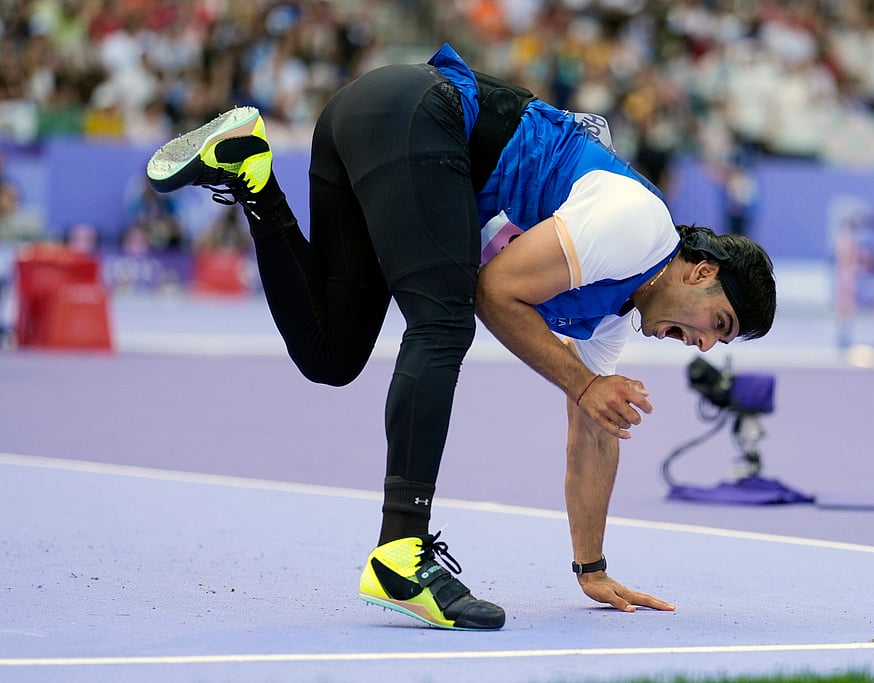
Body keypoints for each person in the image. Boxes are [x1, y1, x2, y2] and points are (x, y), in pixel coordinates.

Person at [146, 43, 776, 631]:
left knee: (330, 355)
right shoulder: (642, 227)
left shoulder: (610, 315)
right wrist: (586, 384)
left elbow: (592, 432)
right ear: (702, 271)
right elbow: (496, 291)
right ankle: (401, 552)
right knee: (445, 319)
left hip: (371, 122)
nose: (703, 346)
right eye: (718, 324)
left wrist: (592, 569)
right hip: (417, 114)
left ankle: (250, 174)